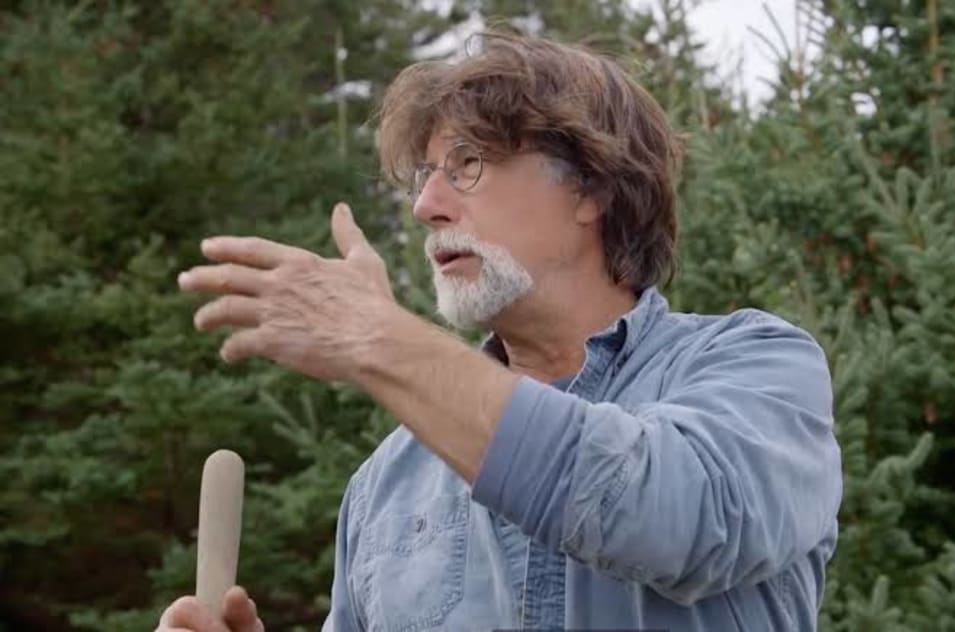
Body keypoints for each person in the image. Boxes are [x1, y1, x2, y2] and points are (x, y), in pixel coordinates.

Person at [158, 30, 842, 632]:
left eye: (467, 164)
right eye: (425, 176)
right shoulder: (385, 483)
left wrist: (379, 338)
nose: (427, 206)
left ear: (591, 188)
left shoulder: (757, 366)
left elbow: (676, 519)